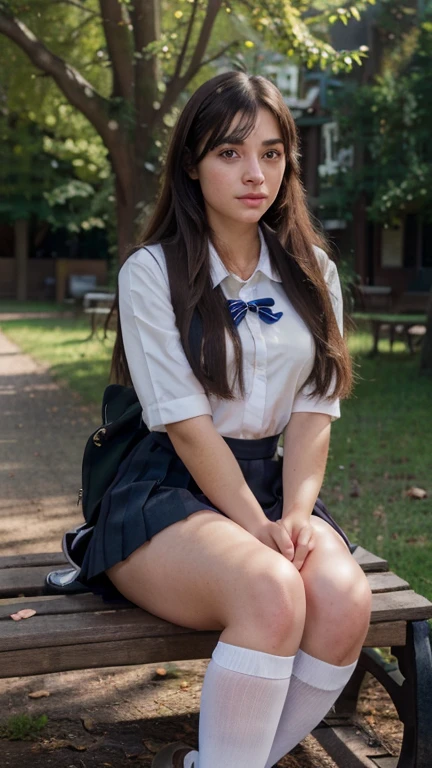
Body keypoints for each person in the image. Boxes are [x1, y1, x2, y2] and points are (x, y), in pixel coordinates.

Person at [78, 71, 372, 768]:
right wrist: (258, 530)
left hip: (274, 486)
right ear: (192, 162)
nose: (255, 173)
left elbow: (312, 414)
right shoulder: (152, 273)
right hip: (163, 490)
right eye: (231, 153)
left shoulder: (313, 272)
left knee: (342, 599)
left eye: (272, 154)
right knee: (272, 592)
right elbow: (186, 426)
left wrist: (296, 515)